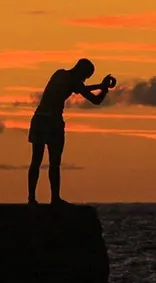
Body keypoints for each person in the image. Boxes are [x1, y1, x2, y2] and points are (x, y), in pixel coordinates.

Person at [27, 58, 114, 204]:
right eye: (85, 76)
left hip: (49, 121)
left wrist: (103, 88)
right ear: (80, 70)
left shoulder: (68, 79)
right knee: (41, 161)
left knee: (49, 162)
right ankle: (37, 198)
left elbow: (88, 95)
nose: (84, 80)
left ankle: (49, 198)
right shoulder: (64, 77)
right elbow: (84, 91)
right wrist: (102, 86)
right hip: (46, 121)